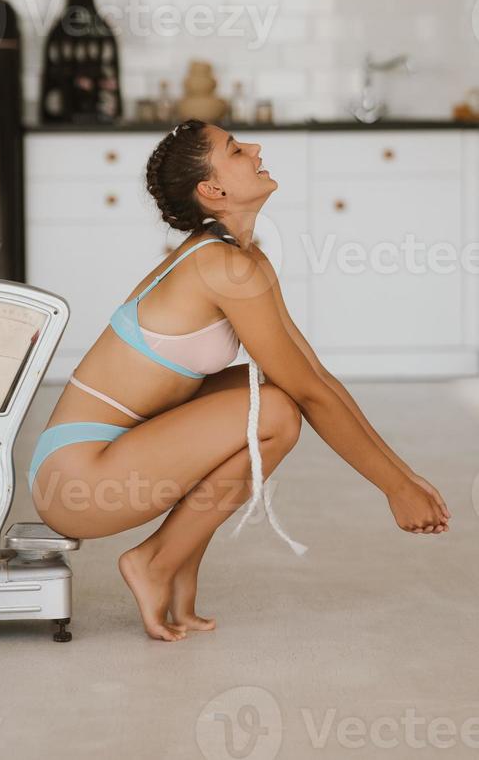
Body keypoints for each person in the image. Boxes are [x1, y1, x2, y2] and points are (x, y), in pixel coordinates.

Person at [29, 118, 451, 642]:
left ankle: (178, 569)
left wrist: (404, 476)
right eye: (234, 148)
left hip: (98, 461)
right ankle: (155, 562)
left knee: (261, 391)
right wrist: (395, 489)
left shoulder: (242, 260)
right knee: (274, 411)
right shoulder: (222, 269)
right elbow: (310, 394)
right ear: (214, 190)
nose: (253, 148)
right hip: (78, 482)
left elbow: (314, 375)